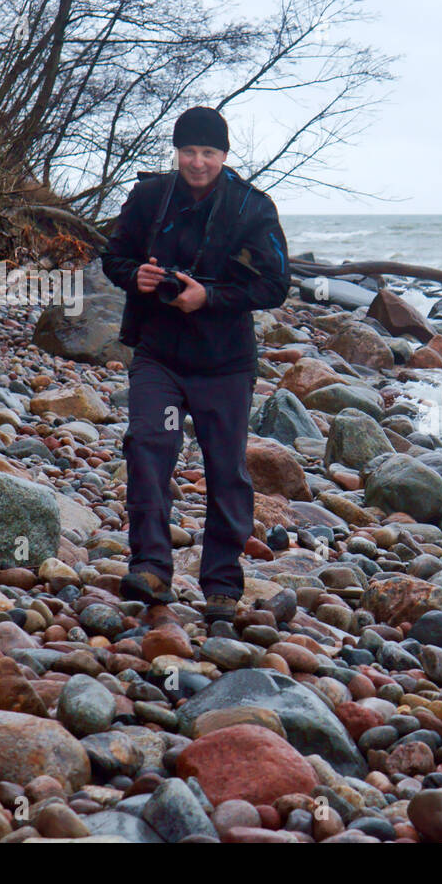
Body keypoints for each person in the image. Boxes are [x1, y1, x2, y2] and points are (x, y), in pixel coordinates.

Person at [99, 105, 290, 625]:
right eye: (189, 151)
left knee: (226, 471)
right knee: (148, 447)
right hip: (158, 354)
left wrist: (209, 296)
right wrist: (132, 275)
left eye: (209, 152)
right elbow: (112, 256)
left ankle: (223, 586)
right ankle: (151, 567)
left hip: (224, 365)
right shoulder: (148, 196)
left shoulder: (254, 207)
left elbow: (275, 285)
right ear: (176, 151)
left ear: (225, 155)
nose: (198, 162)